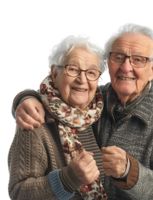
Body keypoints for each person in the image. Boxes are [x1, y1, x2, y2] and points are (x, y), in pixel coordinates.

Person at [10, 23, 153, 200]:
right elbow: (57, 94)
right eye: (118, 57)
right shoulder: (92, 101)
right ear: (108, 64)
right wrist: (25, 98)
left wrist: (130, 172)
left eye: (138, 59)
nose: (126, 68)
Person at [8, 33, 109, 200]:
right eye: (73, 69)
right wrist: (68, 178)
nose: (82, 79)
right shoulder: (35, 121)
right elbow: (18, 193)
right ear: (54, 73)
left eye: (91, 72)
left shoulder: (101, 117)